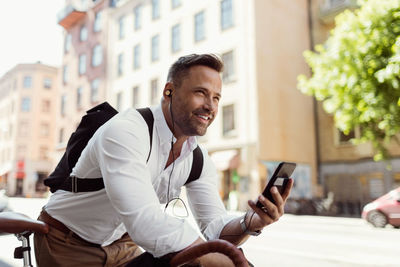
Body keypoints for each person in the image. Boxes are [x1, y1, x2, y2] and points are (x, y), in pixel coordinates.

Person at [34, 54, 293, 267]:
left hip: (124, 248)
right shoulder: (127, 130)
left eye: (216, 98)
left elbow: (215, 230)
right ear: (169, 91)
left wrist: (251, 223)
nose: (211, 106)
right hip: (67, 244)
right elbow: (145, 221)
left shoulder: (197, 160)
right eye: (201, 93)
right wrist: (219, 259)